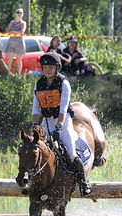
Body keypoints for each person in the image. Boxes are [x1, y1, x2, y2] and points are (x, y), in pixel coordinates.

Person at [31, 52, 91, 196]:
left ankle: (84, 183)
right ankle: (31, 182)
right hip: (46, 121)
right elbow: (35, 108)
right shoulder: (39, 83)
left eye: (51, 67)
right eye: (45, 67)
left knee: (70, 154)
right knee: (36, 150)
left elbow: (63, 109)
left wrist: (58, 128)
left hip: (63, 122)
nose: (47, 70)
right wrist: (34, 125)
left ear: (57, 68)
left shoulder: (63, 83)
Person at [4, 8, 26, 74]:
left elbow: (22, 32)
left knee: (18, 60)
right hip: (11, 42)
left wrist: (13, 31)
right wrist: (14, 32)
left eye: (20, 12)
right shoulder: (12, 22)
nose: (19, 14)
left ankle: (18, 75)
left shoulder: (23, 23)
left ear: (22, 14)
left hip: (19, 43)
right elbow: (8, 31)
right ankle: (7, 74)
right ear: (15, 13)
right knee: (9, 60)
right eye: (17, 12)